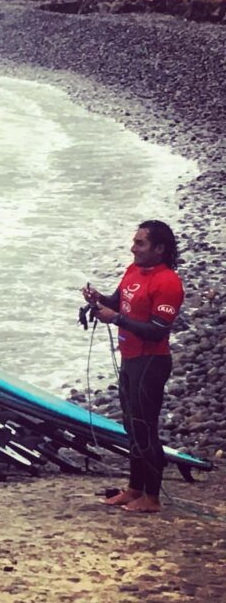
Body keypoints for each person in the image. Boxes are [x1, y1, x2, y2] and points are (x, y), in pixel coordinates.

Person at [82, 220, 183, 514]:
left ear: (160, 249)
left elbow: (157, 330)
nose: (133, 248)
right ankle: (134, 489)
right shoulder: (133, 270)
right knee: (131, 427)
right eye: (134, 242)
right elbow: (119, 301)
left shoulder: (168, 283)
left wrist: (116, 319)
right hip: (130, 359)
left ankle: (152, 497)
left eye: (140, 243)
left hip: (151, 362)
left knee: (145, 428)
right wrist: (99, 299)